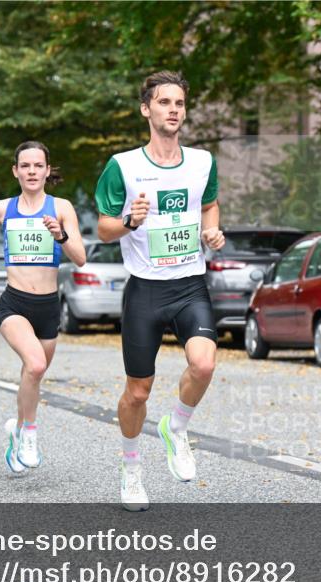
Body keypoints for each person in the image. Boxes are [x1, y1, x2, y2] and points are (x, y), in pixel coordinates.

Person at [95, 71, 224, 511]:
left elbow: (208, 203)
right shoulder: (123, 166)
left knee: (204, 365)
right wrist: (131, 219)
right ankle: (131, 470)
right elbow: (104, 228)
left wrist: (211, 231)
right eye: (164, 102)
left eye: (180, 103)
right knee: (137, 392)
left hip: (189, 284)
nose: (174, 109)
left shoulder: (202, 162)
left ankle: (177, 427)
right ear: (146, 109)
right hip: (145, 291)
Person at [0, 141, 86, 474]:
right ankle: (31, 436)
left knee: (32, 376)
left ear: (47, 170)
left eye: (38, 166)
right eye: (25, 166)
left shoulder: (62, 207)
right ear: (16, 171)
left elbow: (80, 258)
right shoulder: (2, 208)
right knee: (35, 365)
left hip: (48, 307)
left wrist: (61, 235)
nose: (32, 171)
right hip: (15, 303)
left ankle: (17, 432)